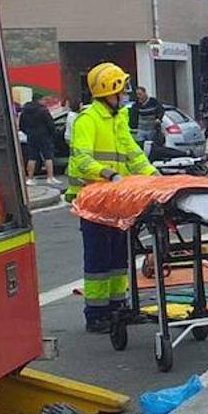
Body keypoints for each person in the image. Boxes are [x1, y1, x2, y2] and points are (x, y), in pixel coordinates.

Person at [66, 63, 158, 332]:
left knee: (119, 257)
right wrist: (108, 174)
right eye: (121, 91)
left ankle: (118, 308)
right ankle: (96, 314)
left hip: (116, 202)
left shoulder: (117, 119)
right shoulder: (88, 120)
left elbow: (133, 154)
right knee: (99, 259)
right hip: (94, 203)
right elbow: (81, 159)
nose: (125, 96)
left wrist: (156, 178)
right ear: (109, 92)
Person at [19, 96, 59, 184]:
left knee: (32, 157)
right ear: (39, 100)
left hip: (31, 136)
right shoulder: (43, 110)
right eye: (44, 99)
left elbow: (21, 125)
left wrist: (28, 132)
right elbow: (50, 124)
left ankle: (30, 178)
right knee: (48, 156)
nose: (45, 101)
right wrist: (51, 134)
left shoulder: (25, 111)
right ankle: (50, 177)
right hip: (44, 136)